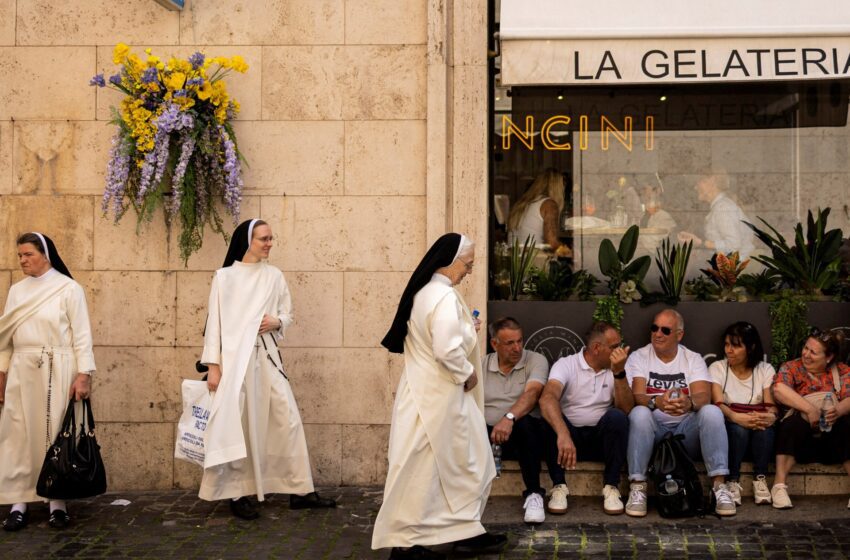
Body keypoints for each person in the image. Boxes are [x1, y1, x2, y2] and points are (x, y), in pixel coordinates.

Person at [373, 233, 506, 560]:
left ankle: (459, 532)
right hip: (442, 397)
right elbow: (446, 350)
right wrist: (468, 373)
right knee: (465, 465)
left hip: (423, 395)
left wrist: (466, 331)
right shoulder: (443, 297)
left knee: (437, 470)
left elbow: (439, 337)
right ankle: (418, 542)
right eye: (468, 264)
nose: (470, 270)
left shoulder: (426, 293)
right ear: (450, 262)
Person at [199, 219, 335, 520]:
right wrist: (213, 367)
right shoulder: (224, 277)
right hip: (236, 364)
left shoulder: (274, 276)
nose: (269, 243)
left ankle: (300, 489)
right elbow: (215, 325)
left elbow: (287, 314)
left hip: (268, 359)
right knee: (240, 426)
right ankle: (238, 493)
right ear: (248, 241)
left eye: (272, 238)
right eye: (264, 238)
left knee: (287, 420)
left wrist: (277, 322)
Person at [0, 233, 95, 531]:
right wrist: (1, 373)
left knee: (56, 433)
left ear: (45, 254)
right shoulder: (17, 291)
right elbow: (6, 340)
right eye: (20, 256)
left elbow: (82, 334)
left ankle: (57, 503)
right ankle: (18, 502)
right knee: (18, 432)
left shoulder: (69, 289)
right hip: (22, 369)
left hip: (59, 368)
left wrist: (84, 374)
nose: (22, 260)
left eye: (28, 254)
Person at [624, 309, 736, 517]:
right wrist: (655, 402)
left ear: (679, 335)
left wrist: (689, 403)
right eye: (654, 328)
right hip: (654, 434)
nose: (658, 334)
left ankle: (719, 488)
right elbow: (637, 394)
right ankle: (638, 488)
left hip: (685, 435)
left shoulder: (691, 358)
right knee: (639, 413)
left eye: (665, 330)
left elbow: (704, 395)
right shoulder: (639, 357)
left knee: (711, 411)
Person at [539, 321, 633, 515]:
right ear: (597, 348)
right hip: (569, 441)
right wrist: (563, 434)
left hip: (601, 439)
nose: (620, 351)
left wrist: (619, 373)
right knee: (550, 417)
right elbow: (547, 398)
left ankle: (611, 487)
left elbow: (626, 409)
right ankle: (558, 486)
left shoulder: (619, 367)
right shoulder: (567, 364)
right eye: (615, 346)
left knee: (617, 417)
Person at [483, 317, 559, 524]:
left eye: (520, 341)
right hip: (485, 433)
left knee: (526, 424)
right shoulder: (481, 365)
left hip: (521, 434)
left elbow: (533, 393)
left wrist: (509, 418)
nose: (517, 348)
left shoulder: (535, 360)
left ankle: (534, 494)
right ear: (494, 344)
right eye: (510, 343)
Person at [771, 328, 850, 510]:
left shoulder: (842, 371)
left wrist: (838, 410)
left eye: (813, 352)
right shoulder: (792, 367)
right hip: (801, 441)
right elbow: (779, 389)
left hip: (832, 440)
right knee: (791, 425)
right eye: (805, 348)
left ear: (828, 357)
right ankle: (779, 486)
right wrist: (809, 409)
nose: (806, 354)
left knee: (847, 426)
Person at [709, 322, 777, 506]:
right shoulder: (717, 368)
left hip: (756, 418)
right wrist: (736, 417)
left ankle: (760, 479)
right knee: (738, 431)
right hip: (730, 418)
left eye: (736, 345)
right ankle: (732, 480)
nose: (729, 350)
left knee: (765, 430)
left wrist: (770, 416)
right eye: (727, 344)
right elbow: (717, 402)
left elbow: (770, 404)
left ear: (751, 347)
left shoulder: (765, 369)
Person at [677, 172, 754, 257]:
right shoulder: (720, 206)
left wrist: (701, 243)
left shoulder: (723, 208)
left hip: (736, 266)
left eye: (699, 181)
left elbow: (733, 245)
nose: (695, 187)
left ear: (712, 181)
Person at [507, 168, 570, 253]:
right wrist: (571, 254)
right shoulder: (549, 204)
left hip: (515, 262)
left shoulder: (521, 204)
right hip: (534, 262)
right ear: (557, 187)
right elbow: (552, 243)